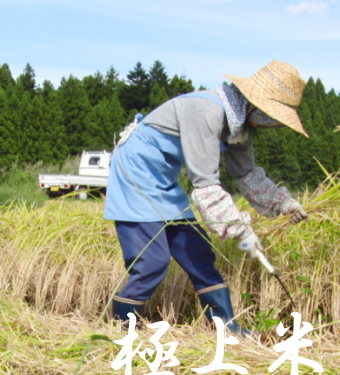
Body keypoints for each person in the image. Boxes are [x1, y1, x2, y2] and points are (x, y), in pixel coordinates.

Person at [104, 60, 309, 336]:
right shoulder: (205, 111)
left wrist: (284, 203)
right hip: (135, 173)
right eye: (273, 114)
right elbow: (206, 184)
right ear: (255, 103)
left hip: (164, 180)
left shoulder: (239, 127)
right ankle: (121, 330)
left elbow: (246, 174)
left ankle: (227, 328)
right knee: (152, 261)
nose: (273, 123)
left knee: (199, 252)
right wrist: (240, 231)